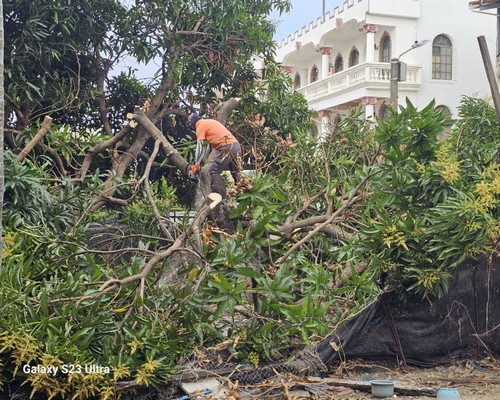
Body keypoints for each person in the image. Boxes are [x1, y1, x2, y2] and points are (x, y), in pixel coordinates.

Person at [188, 112, 241, 199]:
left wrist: (196, 165)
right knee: (236, 173)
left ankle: (221, 198)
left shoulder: (200, 126)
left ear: (193, 123)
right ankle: (243, 196)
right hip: (236, 146)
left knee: (214, 171)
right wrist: (202, 162)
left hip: (228, 147)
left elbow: (200, 147)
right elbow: (207, 148)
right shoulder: (208, 122)